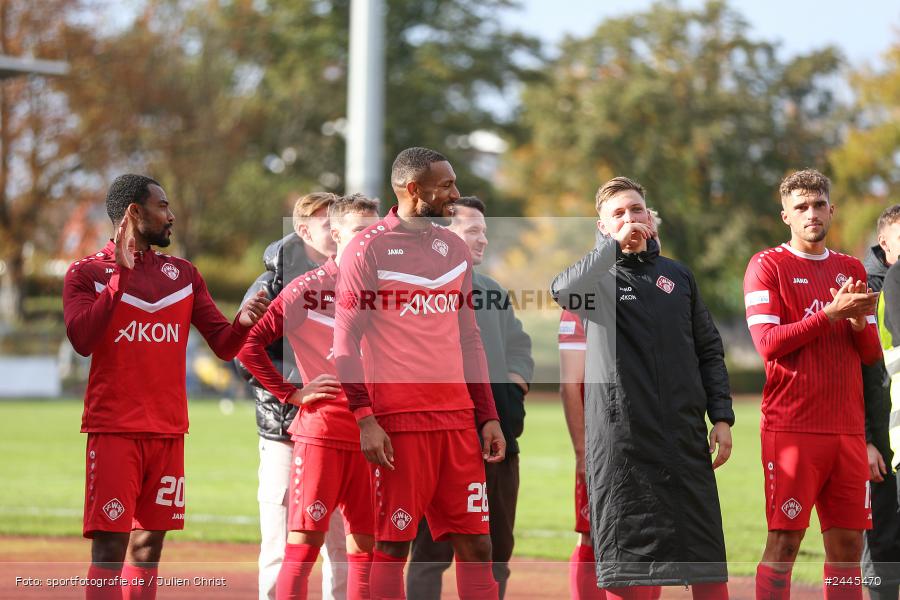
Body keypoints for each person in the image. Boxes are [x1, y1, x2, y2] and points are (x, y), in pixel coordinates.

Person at [63, 174, 270, 600]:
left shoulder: (184, 275)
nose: (171, 215)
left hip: (169, 431)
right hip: (115, 429)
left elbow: (224, 346)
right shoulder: (85, 274)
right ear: (134, 213)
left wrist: (245, 323)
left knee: (148, 548)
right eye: (162, 206)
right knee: (110, 547)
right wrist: (119, 277)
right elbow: (82, 340)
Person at [334, 147, 506, 600]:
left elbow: (469, 338)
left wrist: (486, 415)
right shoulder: (366, 249)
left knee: (477, 543)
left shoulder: (452, 247)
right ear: (414, 190)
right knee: (393, 545)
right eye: (446, 185)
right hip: (398, 424)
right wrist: (365, 419)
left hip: (456, 423)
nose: (456, 193)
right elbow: (344, 344)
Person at [552, 176, 733, 599]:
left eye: (637, 210)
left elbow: (709, 350)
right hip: (623, 446)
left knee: (706, 562)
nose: (630, 218)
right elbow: (561, 289)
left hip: (683, 441)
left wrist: (721, 417)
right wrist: (612, 249)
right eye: (617, 214)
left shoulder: (679, 277)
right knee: (628, 569)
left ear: (650, 216)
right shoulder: (595, 282)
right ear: (602, 227)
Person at [744, 169, 882, 600]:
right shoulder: (767, 265)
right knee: (784, 545)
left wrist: (858, 322)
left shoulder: (850, 267)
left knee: (847, 548)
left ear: (831, 210)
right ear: (785, 214)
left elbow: (872, 353)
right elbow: (767, 345)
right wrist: (829, 316)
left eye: (818, 204)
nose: (811, 213)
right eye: (800, 207)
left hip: (846, 432)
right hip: (792, 430)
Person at [237, 194, 381, 600]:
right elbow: (248, 346)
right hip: (319, 435)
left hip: (371, 436)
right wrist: (292, 393)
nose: (369, 240)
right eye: (359, 232)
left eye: (375, 232)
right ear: (336, 235)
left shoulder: (385, 290)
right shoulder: (306, 287)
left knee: (362, 553)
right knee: (299, 551)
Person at [406, 196, 534, 599]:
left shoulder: (492, 290)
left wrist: (513, 390)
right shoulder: (420, 288)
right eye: (473, 231)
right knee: (429, 552)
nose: (482, 241)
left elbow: (520, 345)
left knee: (496, 550)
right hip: (441, 441)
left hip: (500, 445)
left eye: (485, 232)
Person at [559, 208, 663, 600]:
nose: (638, 231)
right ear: (607, 232)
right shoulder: (585, 295)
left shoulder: (669, 288)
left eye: (646, 224)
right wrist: (583, 450)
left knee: (651, 532)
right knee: (593, 532)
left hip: (651, 438)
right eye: (623, 221)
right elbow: (571, 384)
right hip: (604, 440)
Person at [867, 205, 900, 599]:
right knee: (880, 550)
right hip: (882, 437)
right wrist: (865, 439)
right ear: (885, 244)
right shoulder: (868, 289)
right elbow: (859, 376)